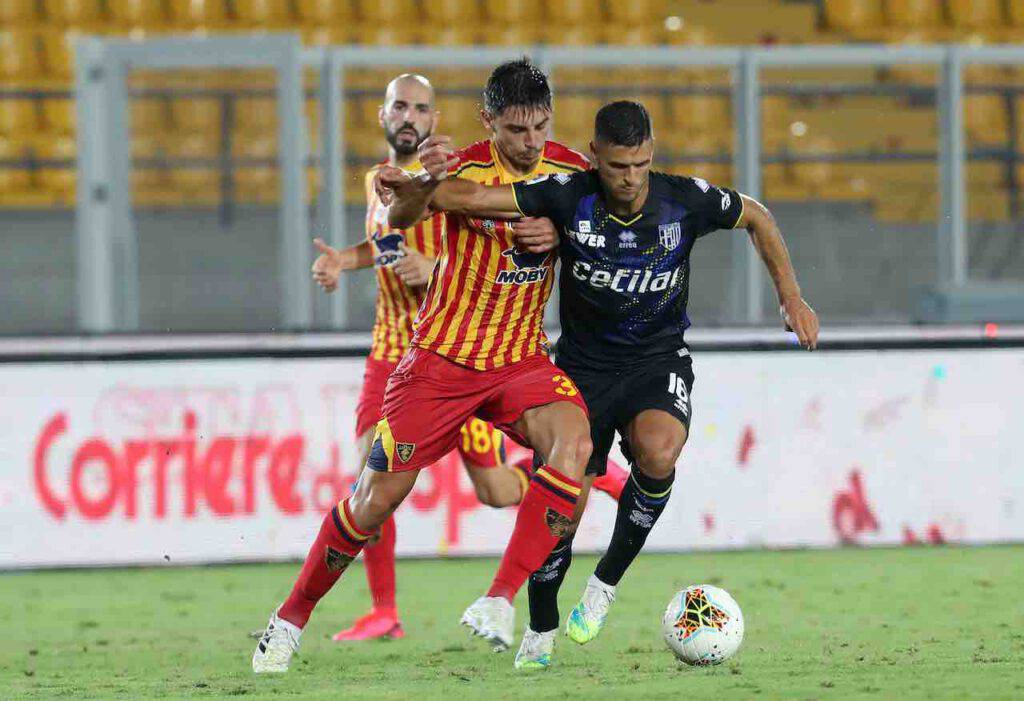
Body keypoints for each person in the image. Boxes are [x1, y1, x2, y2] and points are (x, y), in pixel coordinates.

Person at [378, 99, 820, 669]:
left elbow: (757, 215)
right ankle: (540, 626)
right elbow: (469, 197)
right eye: (616, 167)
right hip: (579, 370)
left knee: (659, 452)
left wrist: (791, 297)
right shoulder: (567, 194)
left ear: (651, 157)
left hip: (656, 361)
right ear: (595, 158)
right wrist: (414, 182)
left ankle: (605, 583)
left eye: (639, 165)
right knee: (562, 510)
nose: (630, 179)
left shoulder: (682, 199)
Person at [252, 59, 615, 674]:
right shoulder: (459, 165)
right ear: (487, 120)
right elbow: (400, 219)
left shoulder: (571, 172)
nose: (530, 143)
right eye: (515, 129)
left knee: (572, 442)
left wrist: (563, 235)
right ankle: (287, 621)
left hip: (520, 359)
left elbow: (605, 229)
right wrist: (425, 182)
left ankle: (499, 599)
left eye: (539, 127)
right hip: (439, 364)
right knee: (373, 500)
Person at [308, 73, 538, 643]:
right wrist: (344, 259)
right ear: (383, 115)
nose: (410, 116)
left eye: (421, 108)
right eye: (400, 106)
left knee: (497, 491)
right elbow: (391, 245)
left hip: (455, 354)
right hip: (391, 351)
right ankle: (384, 611)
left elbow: (497, 254)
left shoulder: (451, 179)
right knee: (371, 470)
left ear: (435, 120)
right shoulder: (377, 180)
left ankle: (574, 470)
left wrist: (433, 270)